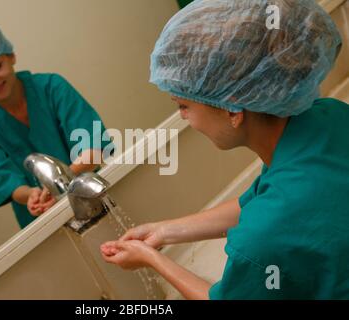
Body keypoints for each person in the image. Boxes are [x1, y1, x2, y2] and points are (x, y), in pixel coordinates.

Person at [101, 0, 349, 299]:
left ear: (232, 109)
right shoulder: (329, 116)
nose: (183, 116)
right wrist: (163, 231)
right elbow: (262, 200)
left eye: (184, 105)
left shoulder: (262, 238)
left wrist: (152, 259)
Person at [0, 20, 111, 229]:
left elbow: (95, 147)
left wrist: (58, 186)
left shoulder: (52, 88)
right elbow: (6, 183)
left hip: (95, 197)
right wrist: (32, 195)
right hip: (45, 221)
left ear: (11, 56)